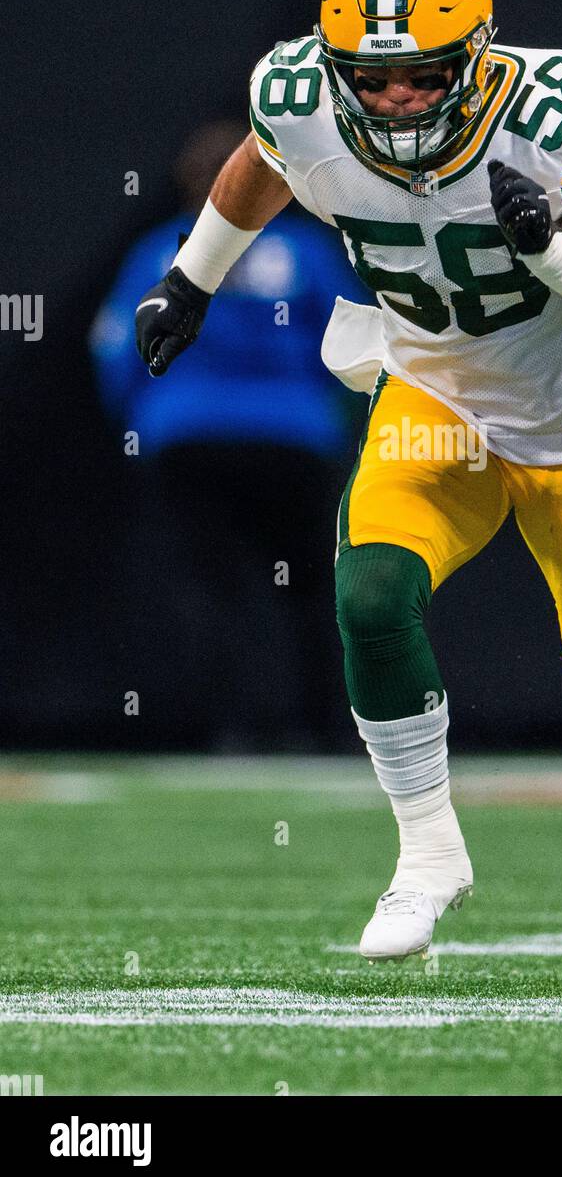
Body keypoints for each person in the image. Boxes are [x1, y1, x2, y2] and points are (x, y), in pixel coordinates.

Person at [134, 0, 562, 986]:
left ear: (475, 59)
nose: (390, 100)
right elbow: (263, 159)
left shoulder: (552, 117)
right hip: (433, 385)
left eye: (419, 75)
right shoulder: (302, 97)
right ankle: (429, 850)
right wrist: (192, 278)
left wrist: (556, 249)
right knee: (369, 593)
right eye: (369, 78)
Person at [94, 119, 367, 748]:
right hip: (292, 439)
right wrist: (324, 418)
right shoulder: (304, 252)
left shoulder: (160, 251)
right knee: (310, 586)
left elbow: (117, 350)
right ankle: (320, 728)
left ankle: (230, 730)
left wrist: (146, 423)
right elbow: (357, 347)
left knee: (211, 589)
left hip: (189, 438)